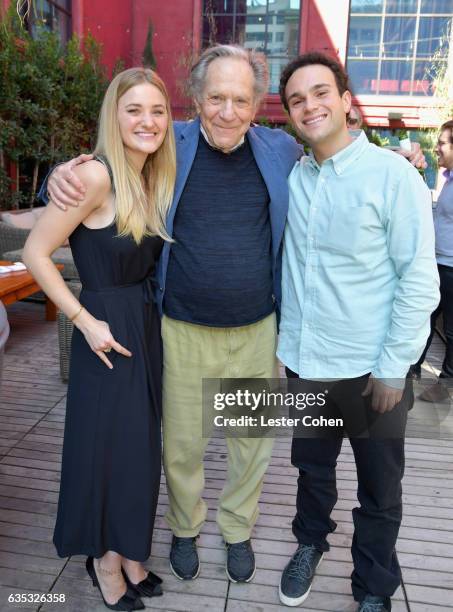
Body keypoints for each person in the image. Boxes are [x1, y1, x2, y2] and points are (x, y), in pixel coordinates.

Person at [41, 45, 427, 587]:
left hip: (256, 329)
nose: (227, 111)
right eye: (216, 97)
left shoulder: (281, 151)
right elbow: (103, 174)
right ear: (196, 98)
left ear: (257, 106)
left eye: (240, 99)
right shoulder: (164, 144)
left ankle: (237, 528)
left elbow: (340, 162)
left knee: (250, 445)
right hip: (180, 326)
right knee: (181, 443)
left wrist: (402, 159)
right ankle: (184, 526)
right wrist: (59, 174)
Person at [276, 53, 439, 611]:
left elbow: (419, 282)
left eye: (321, 92)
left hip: (375, 372)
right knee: (311, 471)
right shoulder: (294, 176)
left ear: (346, 100)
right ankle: (309, 545)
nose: (310, 106)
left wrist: (395, 367)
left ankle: (373, 587)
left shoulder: (393, 176)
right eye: (297, 100)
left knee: (380, 492)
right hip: (307, 362)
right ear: (290, 115)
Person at [24, 67, 176, 611]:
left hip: (142, 322)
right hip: (105, 329)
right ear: (113, 115)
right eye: (134, 109)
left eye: (157, 110)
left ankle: (131, 552)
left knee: (138, 448)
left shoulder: (150, 177)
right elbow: (35, 253)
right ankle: (105, 562)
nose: (148, 121)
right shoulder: (94, 176)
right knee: (110, 450)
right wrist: (85, 322)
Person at [411, 120, 453, 403]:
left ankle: (446, 384)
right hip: (437, 261)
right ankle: (411, 369)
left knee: (450, 328)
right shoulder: (448, 178)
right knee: (421, 316)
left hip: (451, 266)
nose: (437, 147)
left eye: (442, 143)